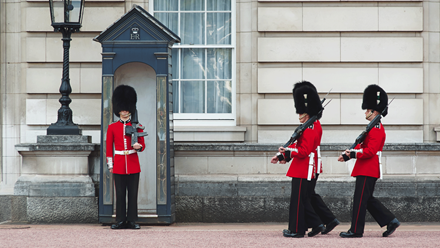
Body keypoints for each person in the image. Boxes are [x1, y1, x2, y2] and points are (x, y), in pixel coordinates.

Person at [337, 84, 400, 238]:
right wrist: (348, 154)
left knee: (360, 200)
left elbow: (370, 151)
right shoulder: (372, 127)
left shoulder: (377, 128)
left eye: (367, 110)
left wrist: (352, 154)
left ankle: (356, 231)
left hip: (368, 168)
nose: (365, 112)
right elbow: (361, 145)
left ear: (374, 111)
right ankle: (390, 220)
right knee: (367, 199)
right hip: (365, 167)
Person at [271, 81, 324, 238]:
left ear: (306, 114)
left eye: (301, 113)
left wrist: (287, 151)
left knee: (298, 201)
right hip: (302, 166)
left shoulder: (310, 129)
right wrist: (282, 155)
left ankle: (298, 230)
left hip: (303, 168)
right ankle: (315, 224)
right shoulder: (310, 126)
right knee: (302, 200)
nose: (299, 115)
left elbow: (303, 151)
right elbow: (296, 145)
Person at [300, 83, 340, 235]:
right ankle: (329, 219)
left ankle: (317, 223)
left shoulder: (312, 126)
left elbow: (307, 148)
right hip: (313, 165)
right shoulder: (313, 124)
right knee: (310, 195)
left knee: (304, 196)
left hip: (311, 166)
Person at [106, 85, 146, 230]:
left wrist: (138, 147)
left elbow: (142, 145)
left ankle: (132, 220)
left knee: (133, 194)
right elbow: (109, 147)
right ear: (118, 109)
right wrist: (110, 164)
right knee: (120, 194)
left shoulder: (137, 126)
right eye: (122, 108)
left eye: (127, 108)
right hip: (119, 164)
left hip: (133, 163)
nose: (124, 111)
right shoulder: (112, 127)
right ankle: (120, 220)